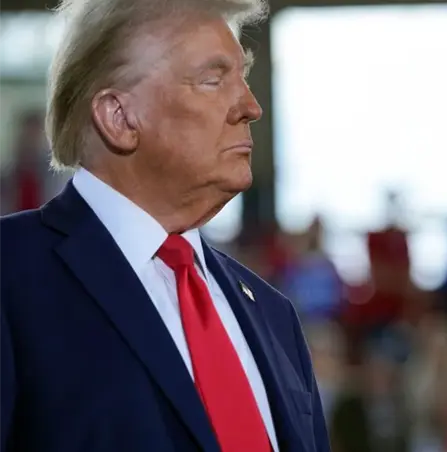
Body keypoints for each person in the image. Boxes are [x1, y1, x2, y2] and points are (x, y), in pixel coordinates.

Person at [0, 0, 330, 451]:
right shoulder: (12, 277)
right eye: (213, 80)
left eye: (244, 77)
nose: (250, 107)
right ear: (118, 116)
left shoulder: (273, 315)